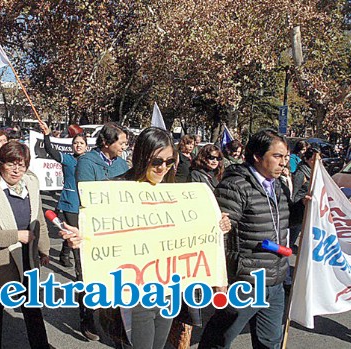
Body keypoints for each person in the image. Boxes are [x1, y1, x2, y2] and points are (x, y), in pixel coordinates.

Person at [64, 127, 231, 349]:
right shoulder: (116, 190)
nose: (163, 168)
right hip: (133, 295)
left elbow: (190, 233)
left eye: (169, 161)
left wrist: (216, 226)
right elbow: (101, 231)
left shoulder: (176, 194)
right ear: (142, 158)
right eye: (157, 162)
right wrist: (81, 238)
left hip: (168, 291)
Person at [198, 128, 306, 349]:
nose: (283, 163)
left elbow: (285, 219)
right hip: (246, 280)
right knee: (219, 339)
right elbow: (217, 235)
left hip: (275, 280)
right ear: (257, 156)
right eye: (276, 156)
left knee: (270, 343)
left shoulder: (278, 185)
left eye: (285, 157)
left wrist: (305, 207)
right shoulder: (235, 186)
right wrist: (219, 281)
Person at [0, 141, 52, 349]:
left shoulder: (31, 185)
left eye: (22, 164)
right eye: (11, 164)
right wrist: (17, 236)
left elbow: (39, 220)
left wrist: (44, 249)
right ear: (0, 164)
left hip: (28, 261)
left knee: (33, 312)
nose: (17, 170)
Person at [75, 121, 129, 341]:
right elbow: (88, 197)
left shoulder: (122, 164)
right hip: (94, 230)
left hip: (118, 229)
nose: (125, 146)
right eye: (122, 142)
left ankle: (115, 319)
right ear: (106, 142)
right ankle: (87, 316)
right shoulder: (86, 162)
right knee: (89, 275)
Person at [38, 120, 87, 268]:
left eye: (81, 143)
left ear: (86, 146)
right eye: (75, 143)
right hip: (70, 202)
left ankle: (64, 254)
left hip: (86, 203)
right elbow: (50, 150)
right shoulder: (68, 159)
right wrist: (47, 134)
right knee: (74, 234)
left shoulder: (90, 160)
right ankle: (80, 272)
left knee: (73, 232)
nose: (78, 145)